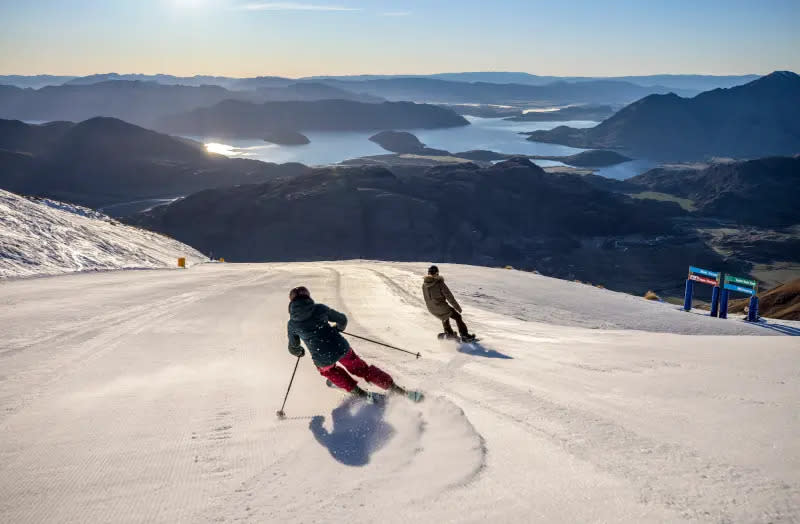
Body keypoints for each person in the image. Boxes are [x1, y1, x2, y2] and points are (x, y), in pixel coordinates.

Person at [287, 286, 417, 401]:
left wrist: (299, 351)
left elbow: (293, 347)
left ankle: (359, 393)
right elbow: (342, 319)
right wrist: (337, 328)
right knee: (362, 369)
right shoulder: (319, 309)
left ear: (291, 302)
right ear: (308, 297)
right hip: (340, 347)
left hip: (322, 358)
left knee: (330, 372)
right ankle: (398, 390)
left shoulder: (292, 324)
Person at [422, 265, 475, 341]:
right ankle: (464, 335)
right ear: (437, 273)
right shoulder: (439, 283)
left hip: (431, 308)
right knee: (457, 317)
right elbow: (449, 297)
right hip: (440, 306)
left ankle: (449, 333)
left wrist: (432, 307)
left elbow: (426, 298)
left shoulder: (424, 285)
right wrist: (457, 308)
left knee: (444, 316)